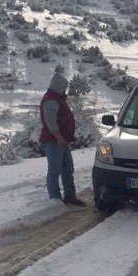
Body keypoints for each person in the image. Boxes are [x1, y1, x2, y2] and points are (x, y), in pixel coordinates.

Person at [39, 68, 85, 206]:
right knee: (55, 169)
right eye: (64, 87)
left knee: (67, 168)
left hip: (62, 141)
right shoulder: (50, 100)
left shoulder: (57, 98)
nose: (65, 90)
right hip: (54, 141)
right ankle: (55, 199)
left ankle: (70, 196)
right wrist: (59, 137)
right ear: (58, 86)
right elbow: (50, 121)